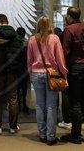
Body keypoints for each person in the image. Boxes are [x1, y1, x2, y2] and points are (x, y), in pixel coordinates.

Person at [28, 16, 68, 145]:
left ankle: (42, 134)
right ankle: (51, 136)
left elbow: (29, 61)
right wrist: (64, 75)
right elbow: (60, 60)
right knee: (51, 106)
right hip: (52, 75)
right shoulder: (55, 39)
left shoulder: (32, 40)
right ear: (50, 25)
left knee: (39, 105)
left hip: (36, 74)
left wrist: (31, 75)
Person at [60, 7, 84, 144]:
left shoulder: (69, 30)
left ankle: (76, 135)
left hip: (75, 67)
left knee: (74, 103)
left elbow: (66, 51)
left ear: (69, 16)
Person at [16, 27, 29, 114]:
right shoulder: (27, 44)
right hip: (25, 68)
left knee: (16, 89)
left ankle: (18, 105)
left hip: (17, 69)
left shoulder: (15, 43)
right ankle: (24, 104)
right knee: (24, 89)